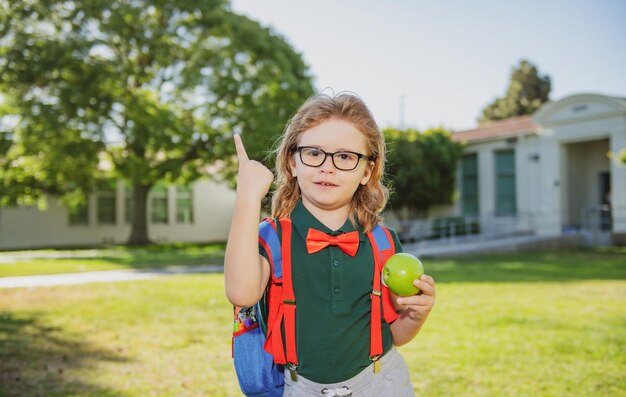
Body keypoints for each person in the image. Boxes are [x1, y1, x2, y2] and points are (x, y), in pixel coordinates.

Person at [225, 92, 436, 397]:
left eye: (346, 156)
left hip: (381, 383)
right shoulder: (271, 237)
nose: (328, 167)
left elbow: (396, 335)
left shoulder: (384, 242)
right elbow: (241, 293)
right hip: (299, 388)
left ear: (367, 171)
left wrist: (417, 314)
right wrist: (246, 198)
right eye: (313, 152)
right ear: (292, 161)